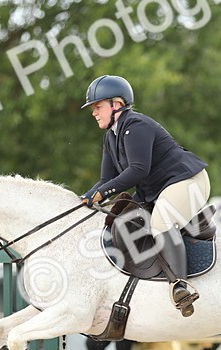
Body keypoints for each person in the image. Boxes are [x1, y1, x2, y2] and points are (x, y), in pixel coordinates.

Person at [79, 75, 210, 317]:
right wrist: (85, 199)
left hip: (187, 182)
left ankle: (180, 285)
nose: (94, 113)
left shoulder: (136, 126)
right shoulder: (111, 136)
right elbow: (106, 180)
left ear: (116, 104)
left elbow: (138, 171)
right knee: (124, 223)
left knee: (160, 224)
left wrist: (100, 193)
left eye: (97, 107)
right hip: (160, 189)